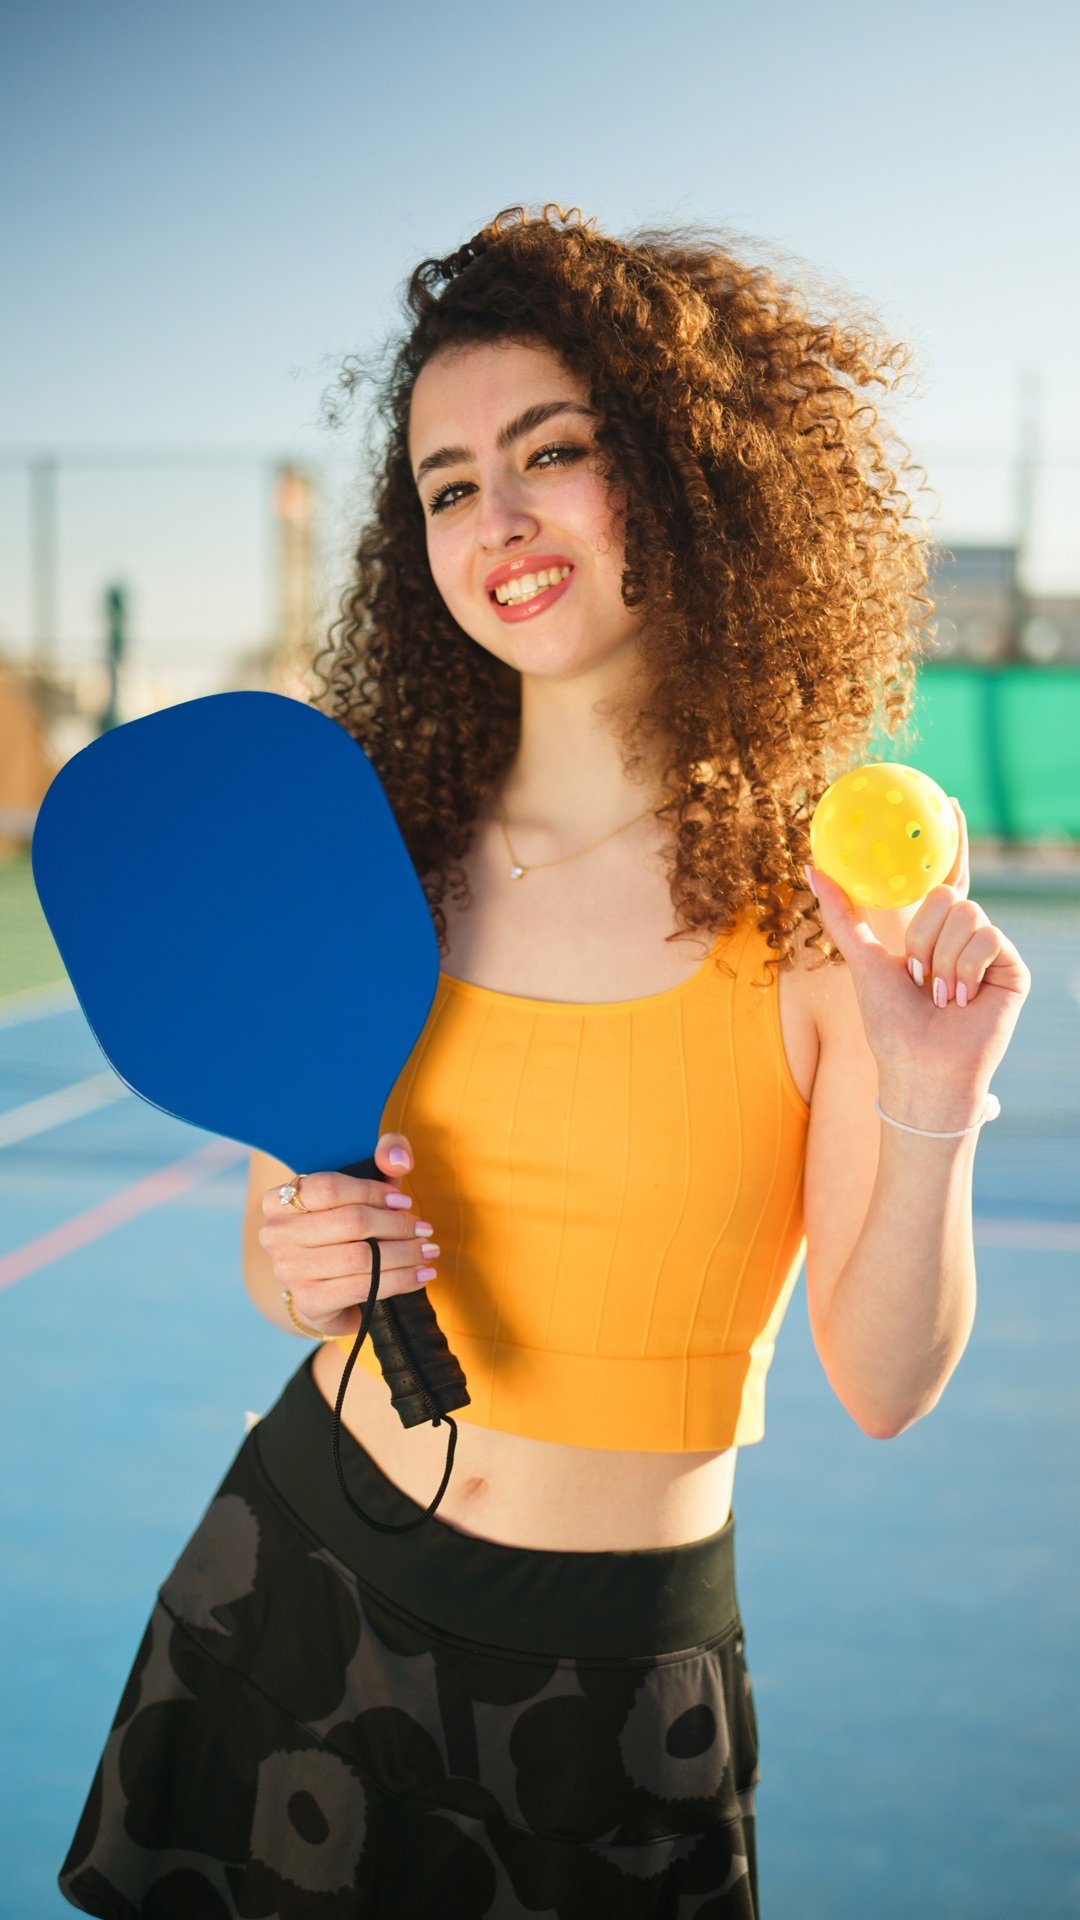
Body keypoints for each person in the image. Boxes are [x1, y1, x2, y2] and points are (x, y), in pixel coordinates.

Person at [59, 203, 1030, 1919]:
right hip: (301, 1569)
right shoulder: (385, 860)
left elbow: (884, 1381)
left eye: (551, 452)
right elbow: (291, 1235)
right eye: (445, 485)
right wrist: (295, 1269)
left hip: (612, 1687)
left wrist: (931, 1091)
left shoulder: (811, 919)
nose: (494, 517)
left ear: (685, 475)